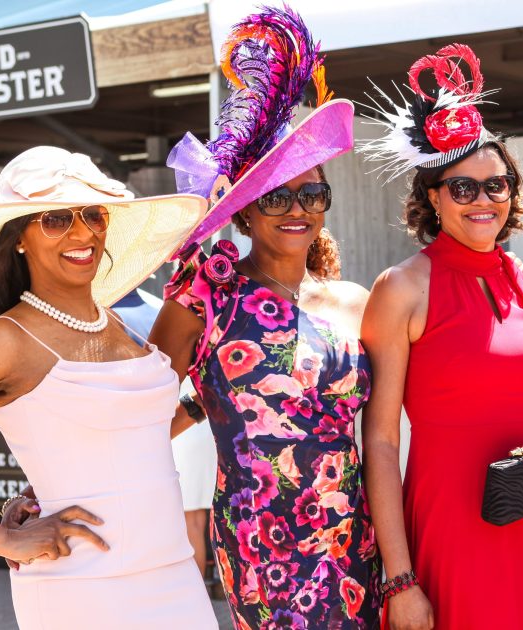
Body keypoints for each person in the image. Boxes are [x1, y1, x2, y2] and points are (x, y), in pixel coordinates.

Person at [0, 146, 214, 629]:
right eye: (54, 219)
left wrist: (199, 404)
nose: (82, 232)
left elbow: (133, 436)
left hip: (174, 574)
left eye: (92, 215)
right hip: (83, 588)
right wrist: (1, 538)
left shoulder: (114, 325)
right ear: (20, 238)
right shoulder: (3, 340)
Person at [149, 7, 381, 627]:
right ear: (246, 211)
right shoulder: (207, 290)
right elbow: (141, 406)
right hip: (262, 541)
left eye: (311, 193)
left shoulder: (356, 302)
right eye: (276, 195)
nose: (296, 208)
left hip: (356, 536)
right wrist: (61, 485)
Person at [358, 44, 523, 628]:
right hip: (446, 531)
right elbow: (379, 442)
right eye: (463, 189)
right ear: (432, 196)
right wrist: (399, 578)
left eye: (497, 185)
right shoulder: (402, 288)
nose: (484, 201)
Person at [113, 288, 218, 579]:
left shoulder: (112, 317)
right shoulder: (161, 307)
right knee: (194, 519)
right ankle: (197, 599)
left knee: (177, 523)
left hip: (170, 424)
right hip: (198, 420)